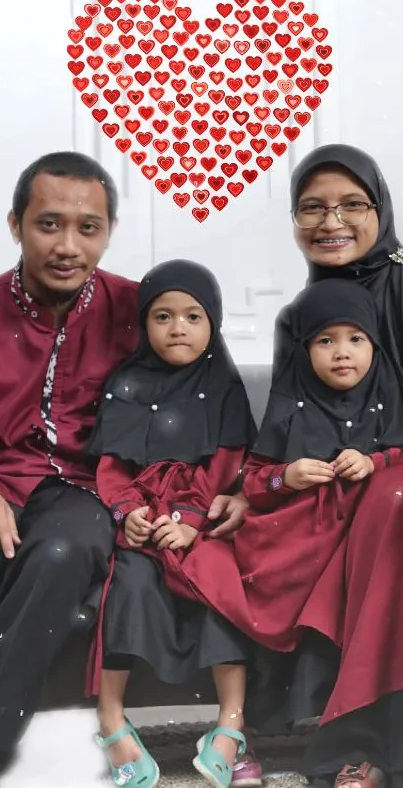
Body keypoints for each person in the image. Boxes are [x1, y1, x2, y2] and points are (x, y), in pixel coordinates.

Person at [0, 152, 246, 768]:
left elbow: (215, 394)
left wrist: (238, 483)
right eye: (48, 223)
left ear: (109, 232)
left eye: (89, 228)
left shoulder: (146, 311)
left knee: (64, 550)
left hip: (86, 491)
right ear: (15, 225)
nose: (67, 245)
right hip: (5, 479)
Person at [180, 278, 403, 788]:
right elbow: (254, 481)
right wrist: (289, 475)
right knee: (239, 577)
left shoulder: (390, 395)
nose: (342, 353)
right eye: (325, 341)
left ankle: (365, 744)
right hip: (302, 538)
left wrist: (374, 461)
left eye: (355, 338)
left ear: (374, 343)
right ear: (305, 349)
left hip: (364, 546)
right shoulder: (292, 399)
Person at [85, 259, 257, 788]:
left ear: (214, 323)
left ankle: (230, 725)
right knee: (128, 582)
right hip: (142, 522)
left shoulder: (223, 387)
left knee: (218, 582)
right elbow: (111, 470)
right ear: (145, 323)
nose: (177, 327)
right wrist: (127, 514)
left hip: (199, 525)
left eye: (192, 316)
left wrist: (188, 521)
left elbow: (226, 470)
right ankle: (111, 718)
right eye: (162, 316)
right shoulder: (127, 383)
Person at [271, 144, 403, 788]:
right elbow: (281, 426)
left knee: (389, 502)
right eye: (312, 207)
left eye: (353, 204)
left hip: (393, 471)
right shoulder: (306, 310)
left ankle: (372, 742)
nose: (332, 220)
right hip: (358, 474)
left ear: (382, 208)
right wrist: (264, 479)